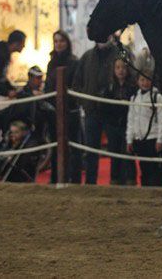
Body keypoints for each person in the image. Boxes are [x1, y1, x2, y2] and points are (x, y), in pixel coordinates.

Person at [72, 36, 120, 184]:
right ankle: (90, 183)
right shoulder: (87, 57)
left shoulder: (120, 54)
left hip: (113, 112)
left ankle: (116, 182)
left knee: (116, 149)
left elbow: (129, 78)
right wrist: (84, 102)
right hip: (92, 111)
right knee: (91, 150)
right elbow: (77, 83)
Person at [45, 30, 81, 184]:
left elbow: (76, 86)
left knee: (73, 147)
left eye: (61, 41)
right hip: (54, 111)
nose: (58, 44)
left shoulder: (74, 62)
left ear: (67, 43)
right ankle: (56, 178)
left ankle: (75, 179)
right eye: (56, 41)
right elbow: (48, 86)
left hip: (70, 110)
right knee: (56, 145)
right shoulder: (51, 63)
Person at [126, 70, 162, 187]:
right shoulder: (134, 98)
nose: (145, 83)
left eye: (148, 79)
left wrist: (160, 139)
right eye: (142, 80)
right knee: (143, 167)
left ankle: (154, 190)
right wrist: (129, 139)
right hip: (139, 139)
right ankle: (145, 190)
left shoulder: (157, 97)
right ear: (137, 81)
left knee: (153, 169)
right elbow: (131, 119)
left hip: (152, 138)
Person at [102, 58, 137, 185]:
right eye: (117, 67)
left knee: (128, 153)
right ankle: (114, 179)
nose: (120, 70)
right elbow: (105, 107)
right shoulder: (109, 87)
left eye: (123, 67)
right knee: (114, 153)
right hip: (113, 125)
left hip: (128, 125)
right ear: (113, 70)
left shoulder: (133, 87)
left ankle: (131, 179)